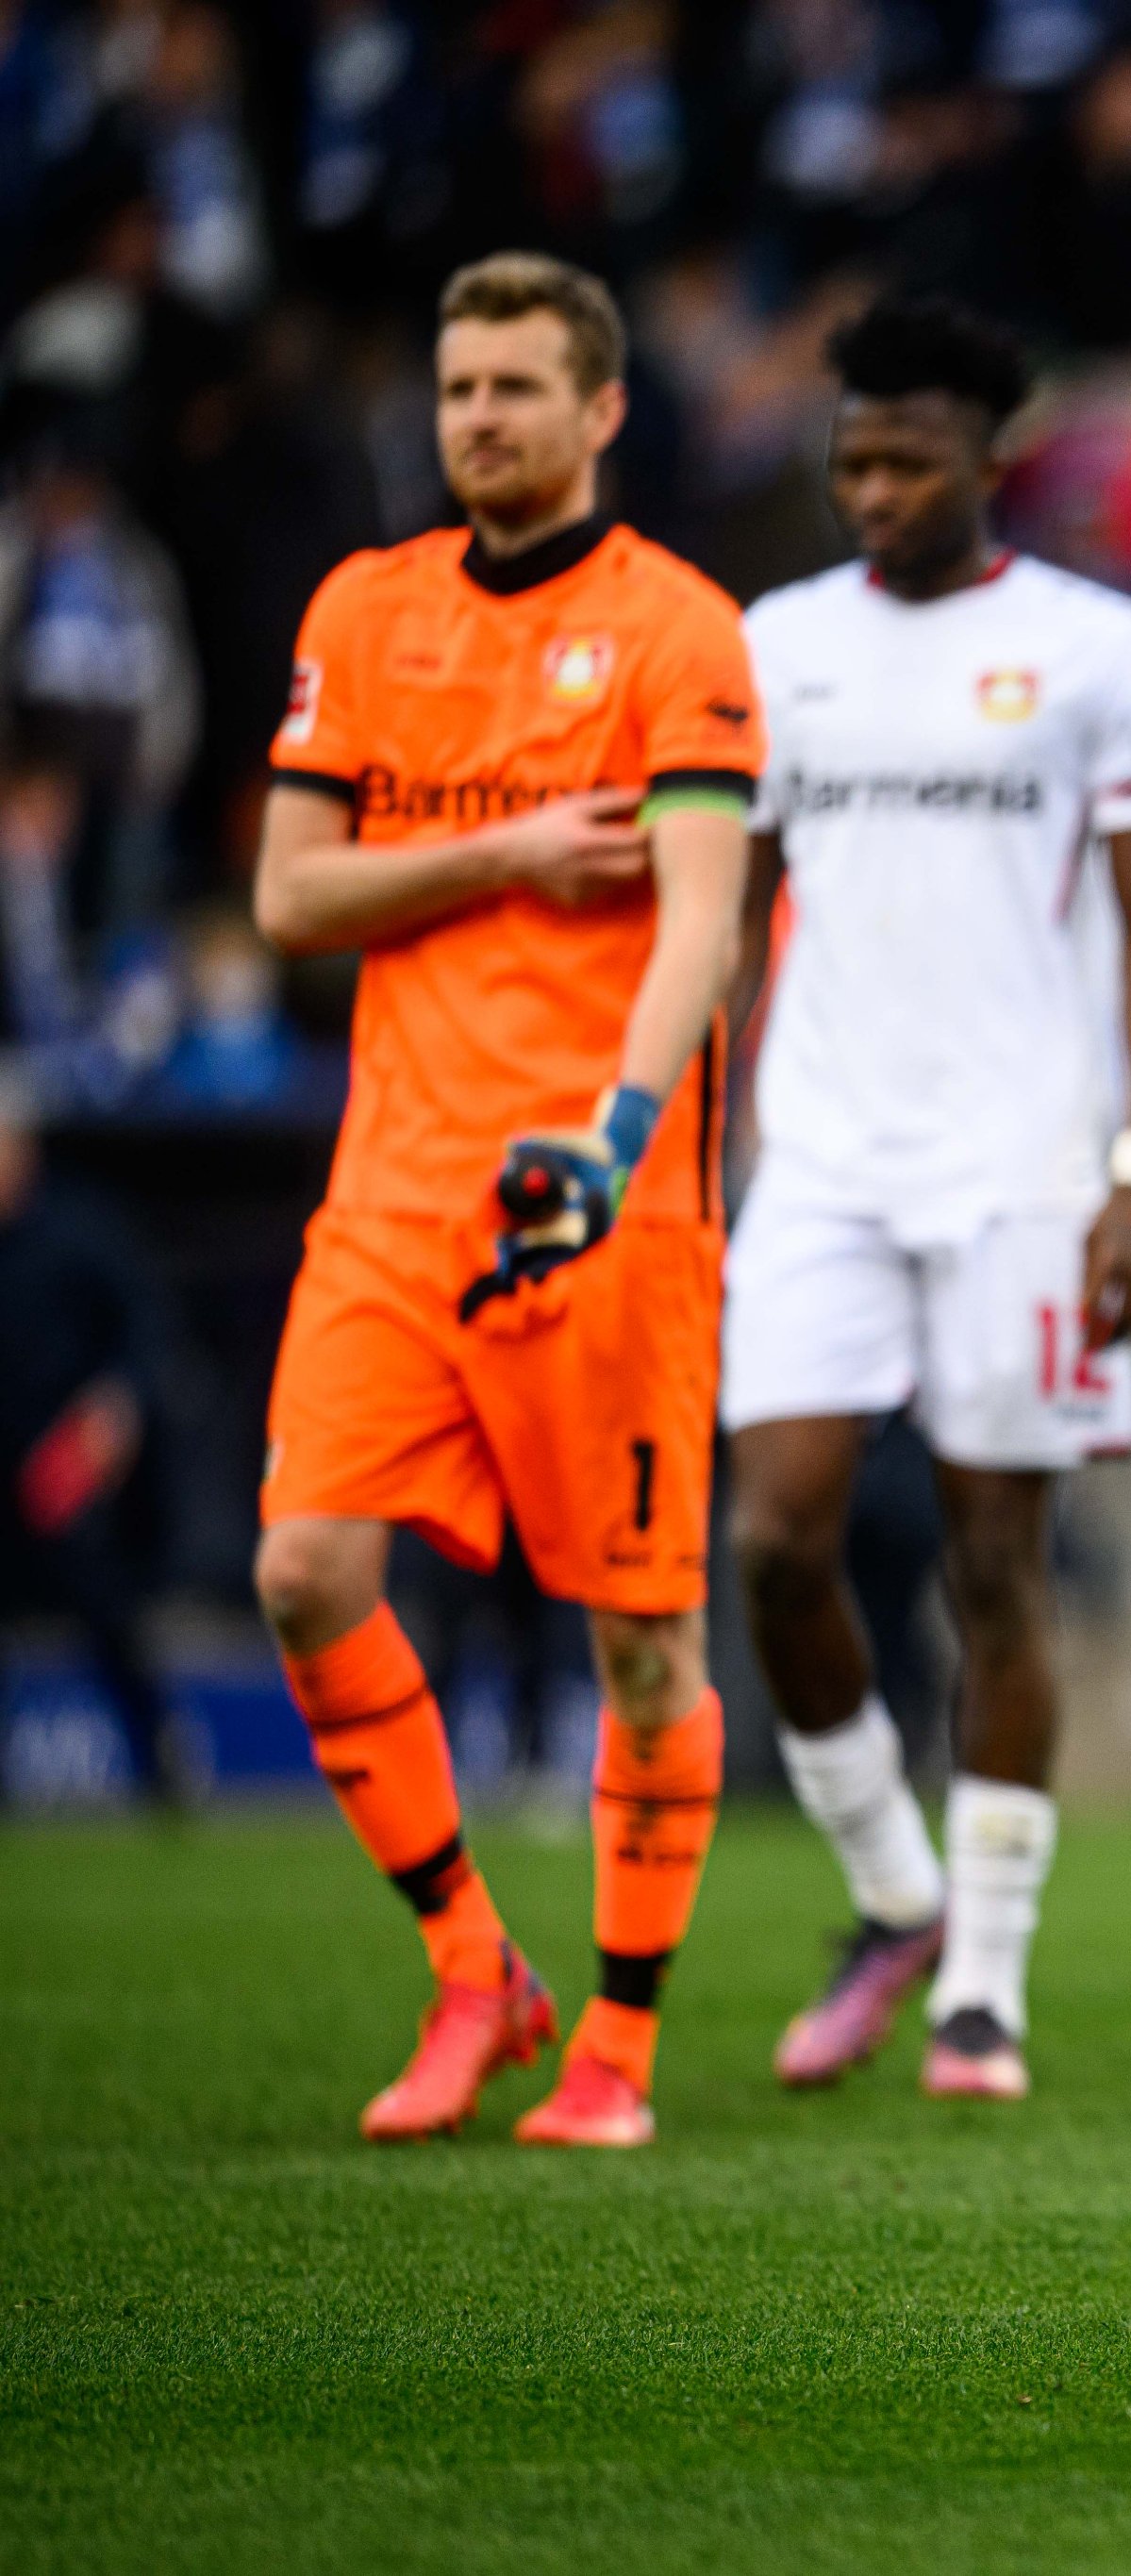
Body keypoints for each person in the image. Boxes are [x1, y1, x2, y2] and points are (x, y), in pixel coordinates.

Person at [250, 253, 761, 2150]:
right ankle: (476, 1967)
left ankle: (617, 2043)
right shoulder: (365, 609)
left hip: (596, 1199)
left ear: (601, 409)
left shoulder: (678, 630)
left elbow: (702, 919)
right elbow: (289, 896)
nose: (479, 417)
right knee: (303, 1571)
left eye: (516, 387)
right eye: (458, 386)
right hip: (394, 1188)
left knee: (640, 1641)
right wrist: (508, 851)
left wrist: (616, 1139)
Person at [720, 294, 1131, 2102]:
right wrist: (704, 1143)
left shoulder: (1094, 648)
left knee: (996, 1562)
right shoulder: (777, 645)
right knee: (775, 1539)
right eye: (852, 461)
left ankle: (983, 1981)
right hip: (822, 1154)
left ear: (991, 461)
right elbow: (732, 913)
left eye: (907, 461)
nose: (873, 492)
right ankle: (892, 1891)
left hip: (1024, 1164)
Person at [0, 1057, 187, 1807]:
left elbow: (145, 1334)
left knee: (108, 1618)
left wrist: (114, 1409)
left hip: (62, 1464)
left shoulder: (81, 1230)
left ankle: (165, 1762)